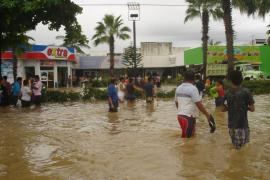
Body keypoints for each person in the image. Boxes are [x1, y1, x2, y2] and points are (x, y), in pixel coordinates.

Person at [175, 70, 215, 138]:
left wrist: (181, 111)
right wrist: (207, 115)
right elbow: (199, 104)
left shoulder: (178, 88)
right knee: (188, 141)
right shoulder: (193, 88)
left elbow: (176, 102)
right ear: (193, 79)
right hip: (188, 117)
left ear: (184, 78)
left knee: (190, 138)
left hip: (180, 116)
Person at [222, 70, 255, 149]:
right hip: (242, 125)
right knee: (241, 151)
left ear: (230, 80)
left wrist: (230, 107)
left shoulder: (227, 92)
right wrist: (244, 107)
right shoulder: (246, 92)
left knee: (235, 148)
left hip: (231, 126)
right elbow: (252, 109)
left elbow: (222, 109)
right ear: (241, 79)